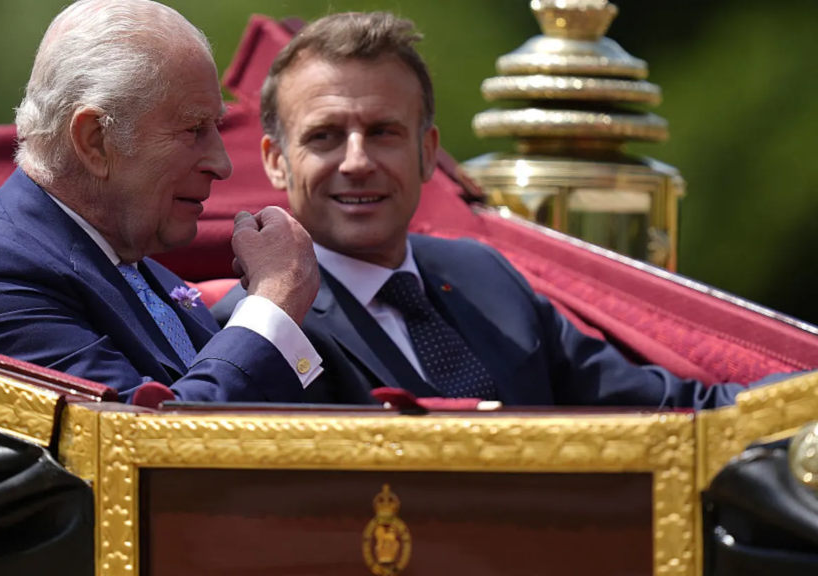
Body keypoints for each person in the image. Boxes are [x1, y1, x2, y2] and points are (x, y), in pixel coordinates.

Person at [213, 11, 792, 408]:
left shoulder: (485, 277)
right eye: (325, 137)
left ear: (428, 152)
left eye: (384, 131)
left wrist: (800, 400)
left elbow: (668, 409)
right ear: (276, 161)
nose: (358, 161)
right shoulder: (258, 326)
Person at [0, 0, 325, 404]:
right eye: (194, 128)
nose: (222, 164)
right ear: (95, 140)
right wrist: (273, 304)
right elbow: (151, 449)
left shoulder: (130, 261)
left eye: (216, 126)